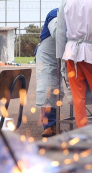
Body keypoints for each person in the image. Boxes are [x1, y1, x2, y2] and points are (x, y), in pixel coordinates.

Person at [56, 0, 92, 128]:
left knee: (78, 100)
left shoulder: (66, 3)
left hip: (70, 54)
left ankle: (82, 134)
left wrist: (60, 59)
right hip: (91, 54)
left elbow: (60, 33)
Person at [35, 8, 64, 137]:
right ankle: (48, 126)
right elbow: (57, 33)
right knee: (46, 89)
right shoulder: (55, 13)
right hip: (46, 58)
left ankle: (54, 124)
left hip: (58, 57)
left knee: (56, 91)